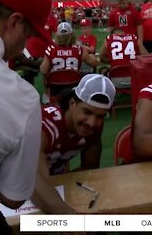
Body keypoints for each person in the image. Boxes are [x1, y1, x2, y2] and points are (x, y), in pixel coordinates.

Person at [0, 0, 51, 232]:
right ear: (14, 22)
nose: (23, 45)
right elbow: (13, 196)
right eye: (28, 35)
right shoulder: (21, 97)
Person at [31, 74, 116, 214]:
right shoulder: (44, 127)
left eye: (100, 116)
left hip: (51, 181)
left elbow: (90, 167)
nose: (92, 122)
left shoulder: (93, 128)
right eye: (87, 112)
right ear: (72, 103)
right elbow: (34, 181)